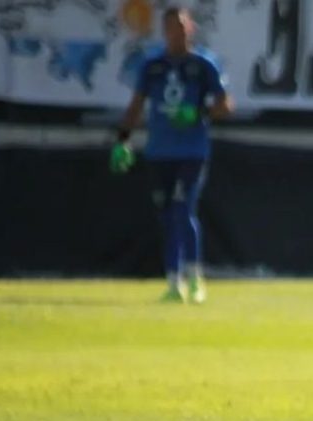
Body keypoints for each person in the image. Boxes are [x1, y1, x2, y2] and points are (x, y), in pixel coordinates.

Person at [111, 5, 232, 304]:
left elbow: (225, 105)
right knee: (167, 217)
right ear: (163, 31)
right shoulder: (153, 67)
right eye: (169, 27)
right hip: (159, 153)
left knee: (183, 208)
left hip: (191, 151)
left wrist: (199, 112)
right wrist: (123, 139)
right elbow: (136, 105)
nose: (175, 33)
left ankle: (195, 277)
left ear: (190, 29)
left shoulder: (203, 65)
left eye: (180, 27)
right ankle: (173, 281)